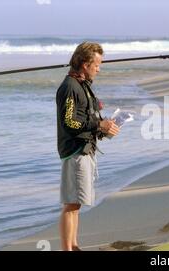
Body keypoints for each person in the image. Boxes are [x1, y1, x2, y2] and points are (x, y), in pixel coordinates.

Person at [56, 42, 120, 251]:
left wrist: (104, 128)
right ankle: (68, 248)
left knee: (76, 203)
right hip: (75, 151)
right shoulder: (70, 87)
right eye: (97, 64)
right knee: (71, 204)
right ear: (85, 64)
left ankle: (74, 245)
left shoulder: (82, 85)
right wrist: (98, 124)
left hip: (85, 149)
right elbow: (70, 122)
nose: (99, 69)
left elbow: (85, 119)